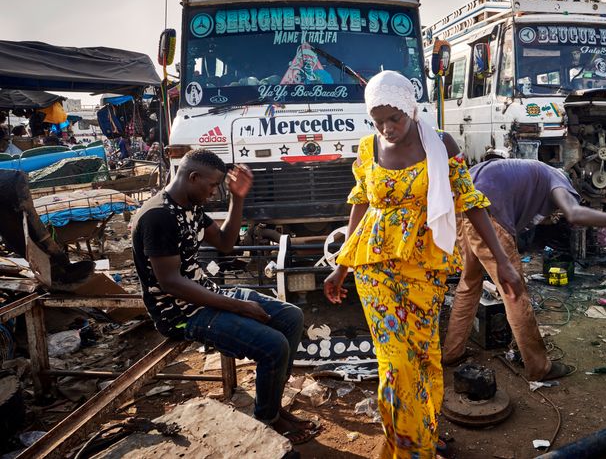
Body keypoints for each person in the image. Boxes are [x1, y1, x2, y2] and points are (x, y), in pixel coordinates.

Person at [324, 71, 522, 458]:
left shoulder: (441, 144)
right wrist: (342, 264)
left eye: (394, 119)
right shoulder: (367, 148)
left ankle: (423, 431)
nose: (387, 128)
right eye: (377, 121)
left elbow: (469, 201)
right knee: (396, 364)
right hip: (374, 266)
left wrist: (502, 261)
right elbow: (361, 202)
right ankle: (409, 448)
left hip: (424, 269)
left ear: (410, 109)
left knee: (422, 356)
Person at [131, 149, 318, 444]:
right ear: (193, 177)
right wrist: (240, 306)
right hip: (180, 315)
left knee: (291, 317)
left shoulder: (189, 205)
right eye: (212, 186)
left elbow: (225, 243)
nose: (213, 192)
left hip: (206, 295)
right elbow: (171, 283)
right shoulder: (159, 216)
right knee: (274, 346)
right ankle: (268, 420)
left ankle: (273, 407)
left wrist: (237, 198)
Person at [441, 158, 606, 380]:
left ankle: (452, 352)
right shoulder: (557, 179)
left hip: (466, 209)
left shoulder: (531, 172)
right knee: (515, 294)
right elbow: (574, 213)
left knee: (469, 282)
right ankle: (539, 367)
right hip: (489, 214)